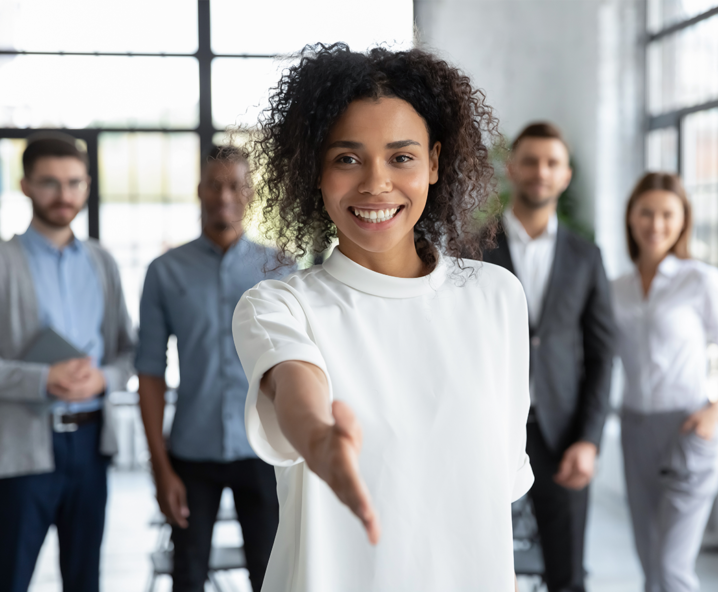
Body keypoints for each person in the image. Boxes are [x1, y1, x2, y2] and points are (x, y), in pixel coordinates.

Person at [231, 43, 533, 591]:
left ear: (435, 162)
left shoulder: (498, 298)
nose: (375, 183)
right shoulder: (280, 306)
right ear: (315, 171)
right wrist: (319, 438)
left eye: (401, 157)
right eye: (347, 158)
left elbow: (500, 479)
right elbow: (297, 387)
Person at [135, 146, 286, 592]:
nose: (225, 195)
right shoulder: (164, 272)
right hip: (191, 454)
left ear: (251, 193)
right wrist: (160, 469)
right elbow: (149, 371)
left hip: (263, 450)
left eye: (236, 184)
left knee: (272, 572)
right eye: (215, 184)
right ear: (200, 192)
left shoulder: (278, 269)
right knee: (188, 576)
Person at [483, 122, 616, 592]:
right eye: (532, 160)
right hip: (490, 430)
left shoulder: (586, 256)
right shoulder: (473, 250)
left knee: (567, 572)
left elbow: (603, 354)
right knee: (482, 564)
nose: (541, 171)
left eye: (552, 162)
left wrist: (590, 439)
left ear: (566, 175)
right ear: (512, 168)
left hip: (564, 435)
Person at [0, 135, 135, 592]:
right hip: (23, 450)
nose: (64, 195)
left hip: (92, 444)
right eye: (50, 183)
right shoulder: (4, 262)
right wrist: (43, 379)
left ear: (88, 185)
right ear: (25, 186)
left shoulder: (102, 263)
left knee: (85, 580)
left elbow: (127, 352)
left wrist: (103, 378)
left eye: (74, 183)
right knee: (11, 576)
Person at [612, 172, 718, 592]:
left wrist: (715, 411)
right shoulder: (617, 289)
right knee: (651, 565)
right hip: (635, 430)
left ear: (683, 220)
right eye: (646, 212)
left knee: (671, 567)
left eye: (668, 214)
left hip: (690, 427)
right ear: (630, 218)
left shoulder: (700, 279)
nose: (656, 224)